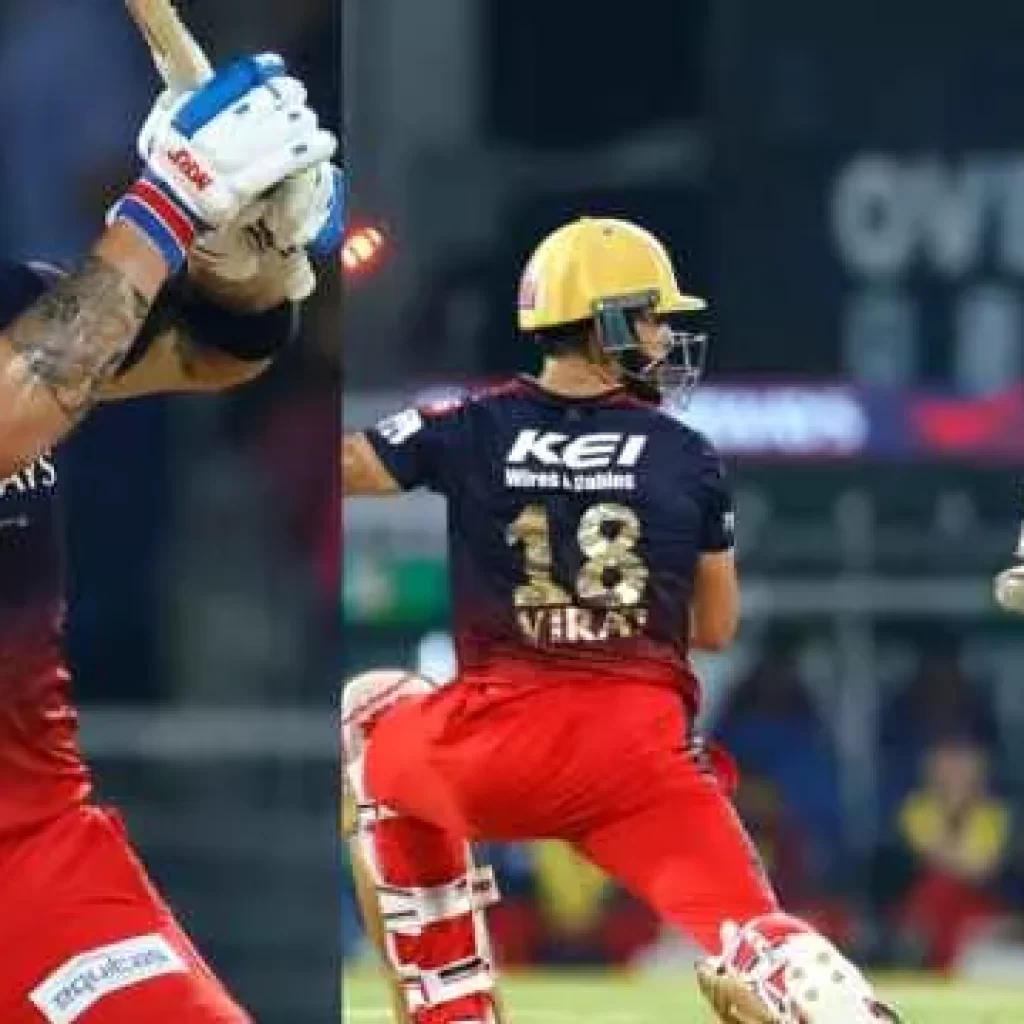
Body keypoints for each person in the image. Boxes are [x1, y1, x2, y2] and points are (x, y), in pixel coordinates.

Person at [340, 218, 900, 1024]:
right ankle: (833, 1002)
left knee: (371, 712)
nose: (666, 338)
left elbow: (348, 464)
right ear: (606, 323)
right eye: (653, 318)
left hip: (493, 747)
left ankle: (449, 1001)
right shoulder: (686, 453)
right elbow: (715, 628)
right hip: (636, 758)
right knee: (758, 937)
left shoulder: (471, 424)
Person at [0, 53, 343, 1022]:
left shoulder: (10, 303)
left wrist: (242, 263)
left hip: (31, 859)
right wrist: (172, 196)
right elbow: (16, 411)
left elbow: (203, 355)